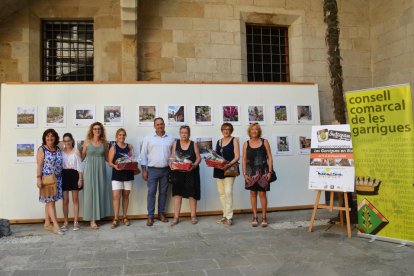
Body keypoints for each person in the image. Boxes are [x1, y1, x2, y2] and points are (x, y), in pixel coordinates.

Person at [140, 117, 175, 226]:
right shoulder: (148, 138)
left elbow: (173, 155)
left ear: (164, 125)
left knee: (163, 193)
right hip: (152, 170)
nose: (160, 126)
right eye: (158, 124)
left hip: (166, 170)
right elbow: (143, 155)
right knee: (151, 193)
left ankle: (161, 214)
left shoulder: (171, 138)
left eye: (162, 124)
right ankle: (150, 216)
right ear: (154, 126)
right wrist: (144, 170)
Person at [82, 122, 112, 229]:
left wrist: (121, 161)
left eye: (99, 129)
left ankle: (97, 217)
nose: (97, 130)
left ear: (101, 130)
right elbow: (81, 157)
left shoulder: (105, 143)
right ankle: (92, 220)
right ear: (92, 130)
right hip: (89, 170)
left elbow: (108, 159)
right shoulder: (86, 142)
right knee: (90, 193)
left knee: (99, 192)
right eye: (95, 129)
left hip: (100, 170)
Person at [242, 123, 273, 228]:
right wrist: (244, 173)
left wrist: (270, 172)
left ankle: (264, 217)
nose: (254, 131)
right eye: (252, 129)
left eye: (256, 129)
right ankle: (255, 217)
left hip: (263, 171)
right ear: (249, 131)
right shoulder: (246, 143)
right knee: (252, 194)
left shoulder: (265, 142)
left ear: (258, 131)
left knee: (262, 194)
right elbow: (244, 159)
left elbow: (270, 157)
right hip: (250, 172)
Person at [169, 125, 201, 226]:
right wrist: (170, 163)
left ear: (189, 134)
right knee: (177, 194)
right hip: (178, 173)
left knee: (192, 194)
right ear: (180, 133)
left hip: (191, 172)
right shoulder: (175, 143)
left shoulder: (193, 144)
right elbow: (172, 156)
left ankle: (193, 216)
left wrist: (194, 165)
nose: (184, 134)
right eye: (182, 132)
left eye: (186, 132)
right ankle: (176, 217)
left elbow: (198, 158)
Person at [36, 129, 64, 235]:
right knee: (51, 202)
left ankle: (47, 223)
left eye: (52, 136)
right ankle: (56, 226)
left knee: (50, 201)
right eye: (47, 136)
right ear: (44, 138)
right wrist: (38, 178)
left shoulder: (58, 148)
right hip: (47, 180)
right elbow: (39, 165)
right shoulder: (42, 149)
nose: (49, 138)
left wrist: (58, 142)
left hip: (57, 179)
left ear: (55, 138)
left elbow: (63, 144)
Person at [213, 123, 240, 226]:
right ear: (221, 130)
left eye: (228, 129)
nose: (226, 131)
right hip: (219, 169)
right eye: (224, 129)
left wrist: (228, 164)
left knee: (228, 192)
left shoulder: (234, 140)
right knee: (221, 193)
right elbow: (217, 156)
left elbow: (237, 156)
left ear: (231, 130)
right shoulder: (218, 141)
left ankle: (229, 217)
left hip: (229, 169)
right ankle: (224, 215)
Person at [108, 128, 135, 228]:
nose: (122, 137)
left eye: (123, 135)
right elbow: (110, 163)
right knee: (116, 196)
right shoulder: (113, 147)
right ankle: (116, 218)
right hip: (117, 175)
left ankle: (124, 217)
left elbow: (131, 160)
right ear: (117, 136)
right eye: (120, 135)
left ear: (125, 136)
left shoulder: (129, 146)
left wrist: (131, 162)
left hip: (128, 174)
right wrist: (115, 166)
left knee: (126, 196)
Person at [60, 133, 83, 231]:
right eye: (65, 141)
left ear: (72, 140)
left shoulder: (76, 151)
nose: (67, 142)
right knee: (65, 200)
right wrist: (61, 143)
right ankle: (65, 222)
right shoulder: (60, 151)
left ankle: (76, 221)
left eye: (68, 140)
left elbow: (80, 167)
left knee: (75, 199)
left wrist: (80, 179)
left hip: (74, 175)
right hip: (64, 175)